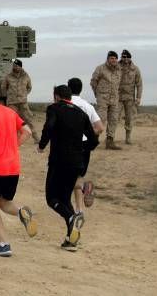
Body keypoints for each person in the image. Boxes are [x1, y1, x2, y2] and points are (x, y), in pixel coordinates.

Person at [0, 81, 37, 257]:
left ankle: (4, 243)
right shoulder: (10, 112)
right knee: (4, 203)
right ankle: (21, 213)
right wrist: (13, 146)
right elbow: (26, 131)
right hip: (13, 166)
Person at [38, 85, 99, 252]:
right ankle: (71, 239)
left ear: (56, 96)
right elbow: (94, 141)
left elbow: (49, 126)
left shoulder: (54, 108)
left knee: (52, 198)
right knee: (64, 199)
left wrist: (42, 145)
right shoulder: (81, 113)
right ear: (70, 97)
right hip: (77, 162)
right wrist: (79, 145)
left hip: (59, 161)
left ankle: (72, 218)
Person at [68, 77, 105, 217]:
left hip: (69, 145)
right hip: (84, 145)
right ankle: (79, 210)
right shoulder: (88, 106)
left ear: (68, 88)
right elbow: (100, 128)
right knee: (78, 176)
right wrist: (86, 133)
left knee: (67, 177)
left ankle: (84, 189)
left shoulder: (65, 104)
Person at [90, 51, 123, 150]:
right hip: (103, 98)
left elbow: (118, 84)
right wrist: (98, 93)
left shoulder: (118, 70)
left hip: (114, 99)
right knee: (101, 119)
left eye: (115, 58)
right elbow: (93, 82)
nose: (114, 60)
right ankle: (93, 140)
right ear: (108, 59)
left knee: (113, 120)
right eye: (112, 58)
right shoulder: (100, 68)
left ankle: (110, 141)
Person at [2, 59, 38, 142]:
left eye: (17, 65)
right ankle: (12, 139)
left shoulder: (26, 76)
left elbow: (29, 87)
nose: (15, 67)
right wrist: (8, 96)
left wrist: (24, 94)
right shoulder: (8, 77)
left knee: (29, 120)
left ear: (20, 67)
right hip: (12, 103)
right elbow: (3, 87)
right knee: (11, 121)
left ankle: (36, 138)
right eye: (14, 65)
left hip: (23, 102)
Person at [117, 50, 143, 145]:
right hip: (117, 97)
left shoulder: (135, 69)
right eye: (124, 57)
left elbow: (139, 84)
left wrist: (138, 97)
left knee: (129, 118)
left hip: (129, 97)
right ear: (121, 57)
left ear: (130, 58)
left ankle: (128, 137)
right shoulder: (116, 67)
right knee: (114, 117)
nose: (125, 59)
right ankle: (110, 137)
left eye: (127, 57)